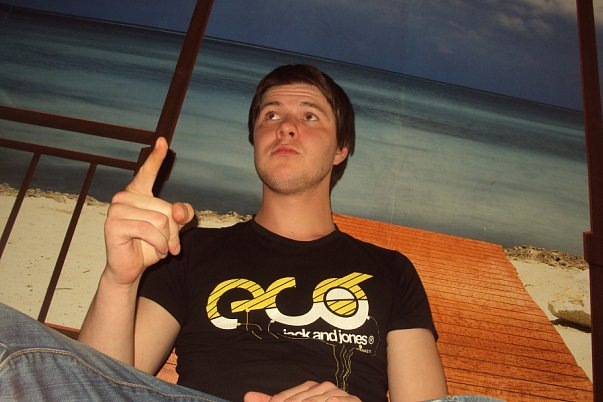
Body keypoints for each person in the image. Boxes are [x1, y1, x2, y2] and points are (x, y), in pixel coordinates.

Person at [1, 64, 448, 401]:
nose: (286, 126)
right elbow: (98, 386)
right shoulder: (191, 249)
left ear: (340, 149)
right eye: (271, 115)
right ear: (256, 140)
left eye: (310, 116)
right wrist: (120, 280)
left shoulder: (390, 270)